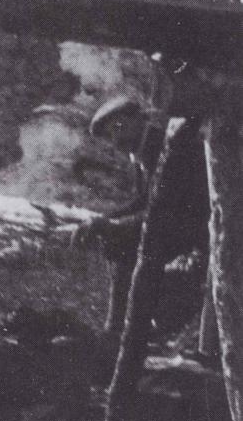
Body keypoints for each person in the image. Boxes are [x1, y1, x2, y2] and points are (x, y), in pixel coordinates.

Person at [75, 94, 210, 344]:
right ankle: (124, 324)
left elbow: (162, 210)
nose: (116, 140)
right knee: (115, 237)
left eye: (119, 127)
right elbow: (144, 200)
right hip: (177, 223)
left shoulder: (164, 146)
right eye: (109, 136)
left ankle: (123, 327)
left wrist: (111, 226)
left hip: (198, 229)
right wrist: (101, 219)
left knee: (121, 241)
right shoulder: (143, 149)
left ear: (139, 118)